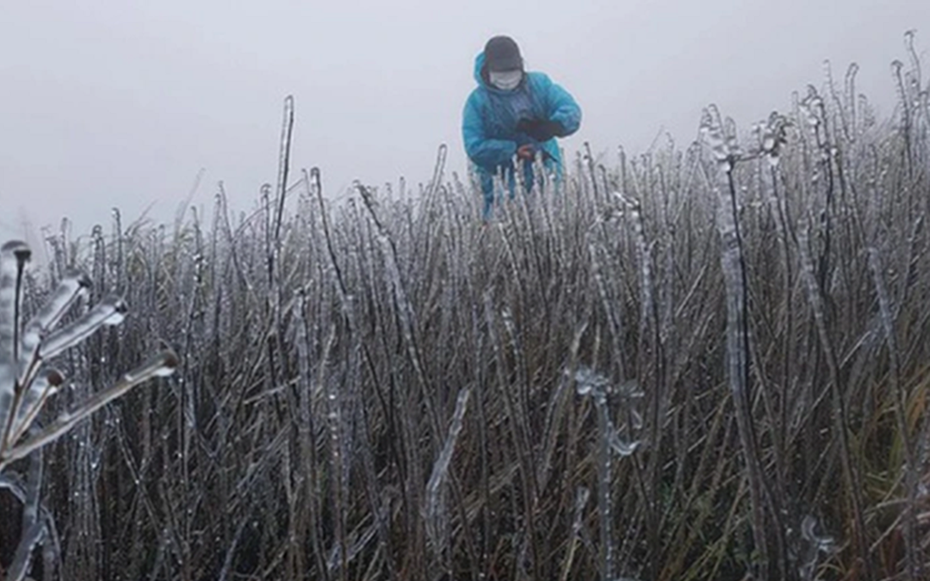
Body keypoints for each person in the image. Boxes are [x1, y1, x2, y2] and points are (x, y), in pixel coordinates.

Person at [462, 35, 582, 219]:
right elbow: (474, 147)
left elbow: (571, 110)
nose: (507, 80)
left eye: (512, 73)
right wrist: (512, 151)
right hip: (500, 187)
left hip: (548, 177)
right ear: (488, 71)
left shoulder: (540, 85)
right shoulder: (477, 102)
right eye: (501, 75)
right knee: (506, 239)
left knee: (555, 232)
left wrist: (554, 126)